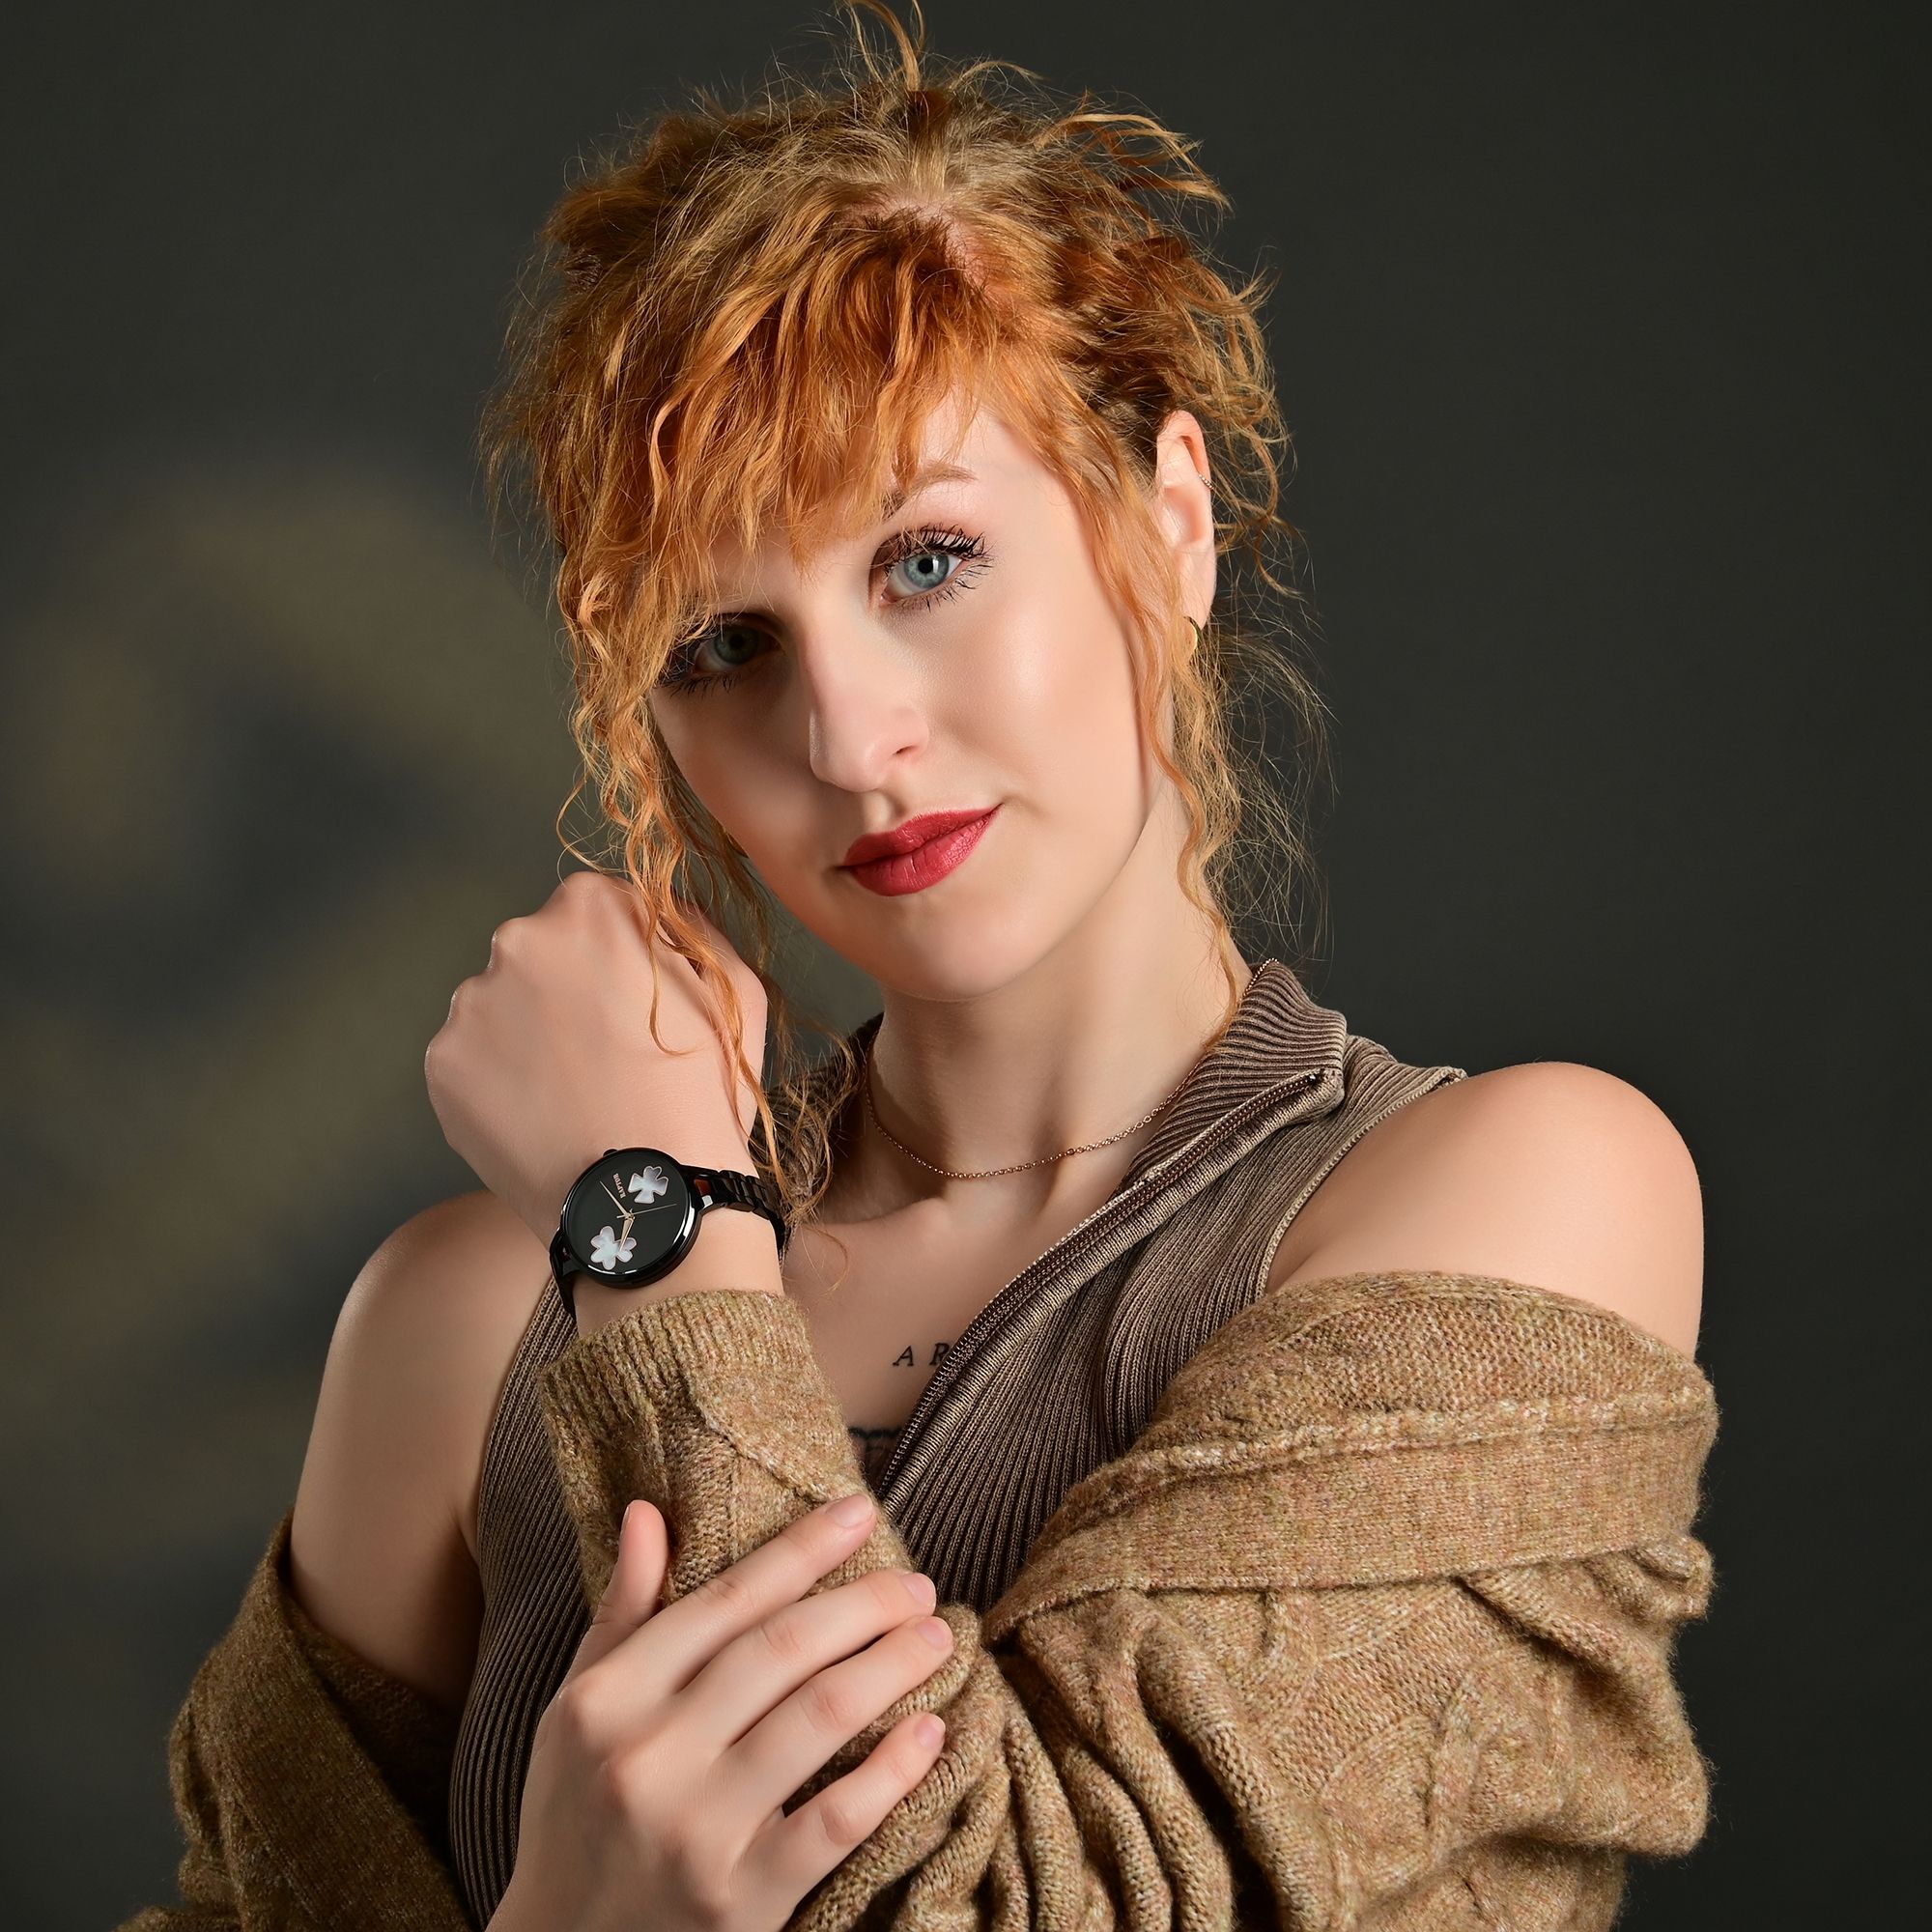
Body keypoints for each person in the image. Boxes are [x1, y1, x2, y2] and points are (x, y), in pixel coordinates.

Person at [122, 5, 1715, 1928]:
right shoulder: (463, 1325)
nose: (849, 737)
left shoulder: (1521, 1196)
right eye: (724, 645)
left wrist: (658, 1220)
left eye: (926, 561)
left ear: (1171, 524)